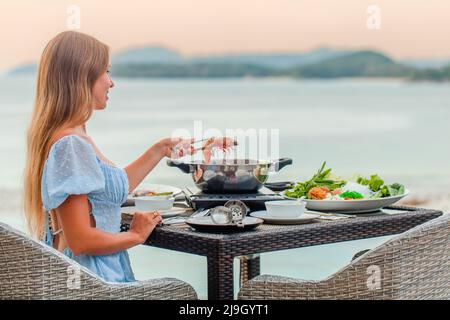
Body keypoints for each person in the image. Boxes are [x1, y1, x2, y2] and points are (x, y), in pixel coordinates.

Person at [23, 31, 232, 282]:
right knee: (184, 291)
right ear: (82, 77)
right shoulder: (71, 145)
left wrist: (160, 149)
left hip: (95, 277)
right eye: (106, 72)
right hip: (94, 283)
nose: (111, 83)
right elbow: (81, 241)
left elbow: (110, 190)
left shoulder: (73, 136)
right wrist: (136, 235)